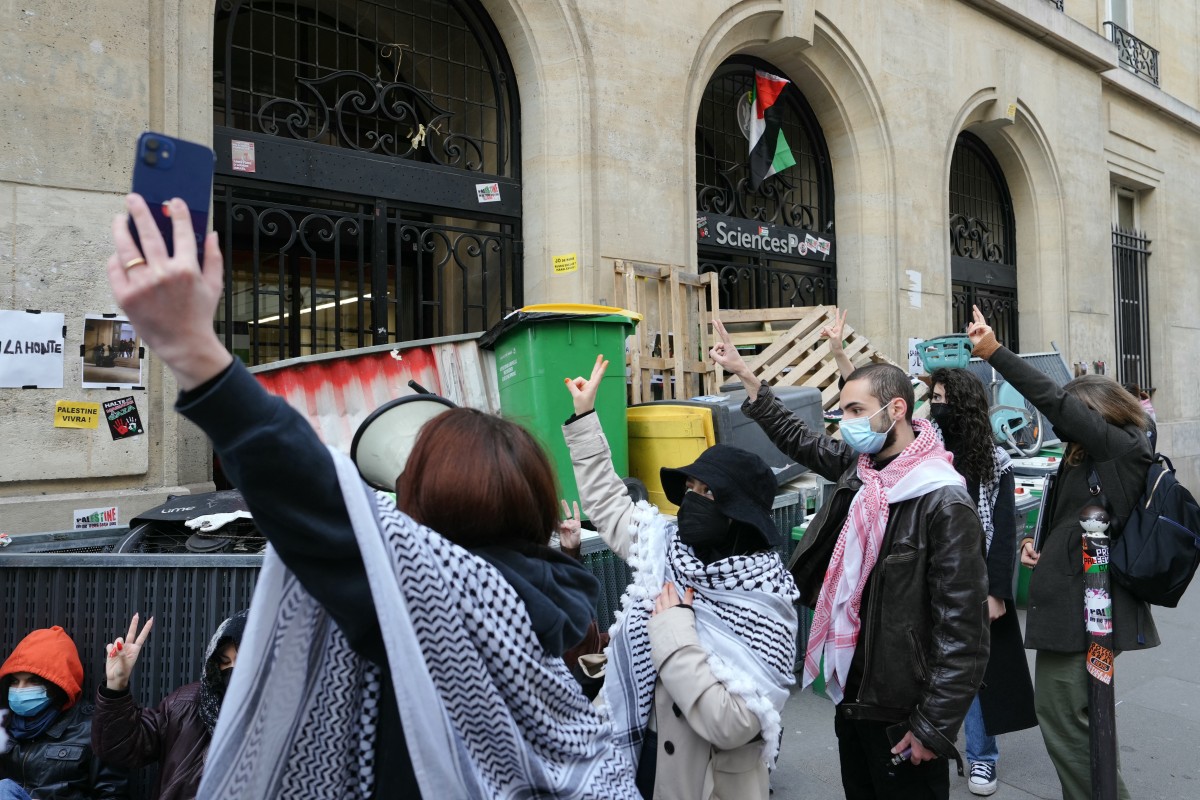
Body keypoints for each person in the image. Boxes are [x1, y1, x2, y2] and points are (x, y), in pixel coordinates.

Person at [105, 194, 638, 800]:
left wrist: (195, 351)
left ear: (425, 506)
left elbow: (318, 496)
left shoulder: (444, 594)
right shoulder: (563, 600)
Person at [710, 319, 989, 800]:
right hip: (851, 691)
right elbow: (798, 437)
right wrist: (748, 378)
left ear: (896, 409)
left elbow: (963, 631)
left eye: (856, 410)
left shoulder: (943, 502)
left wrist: (932, 726)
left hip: (904, 709)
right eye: (841, 412)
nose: (846, 423)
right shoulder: (860, 471)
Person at [562, 356, 800, 800]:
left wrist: (672, 629)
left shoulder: (767, 602)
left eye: (707, 492)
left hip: (703, 781)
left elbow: (732, 724)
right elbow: (609, 503)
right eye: (689, 488)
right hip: (632, 750)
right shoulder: (666, 546)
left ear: (738, 516)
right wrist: (584, 418)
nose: (691, 501)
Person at [966, 305, 1158, 800]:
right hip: (1072, 603)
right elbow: (1079, 513)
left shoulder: (1123, 447)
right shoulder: (1088, 455)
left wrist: (995, 353)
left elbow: (1055, 402)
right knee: (1080, 716)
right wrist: (1041, 546)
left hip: (1090, 611)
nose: (1060, 423)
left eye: (1071, 414)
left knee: (1063, 712)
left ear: (1093, 412)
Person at [928, 367, 1037, 796]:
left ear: (962, 403)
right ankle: (933, 744)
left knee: (974, 671)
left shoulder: (994, 461)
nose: (935, 405)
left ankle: (982, 758)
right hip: (928, 575)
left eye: (941, 398)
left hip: (973, 580)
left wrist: (996, 592)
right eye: (932, 397)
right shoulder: (923, 449)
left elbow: (1004, 531)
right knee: (930, 667)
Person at [91, 612, 247, 800]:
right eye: (224, 662)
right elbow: (119, 747)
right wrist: (116, 685)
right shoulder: (186, 705)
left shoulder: (286, 717)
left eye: (245, 659)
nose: (233, 671)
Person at [0, 626, 128, 800]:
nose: (20, 690)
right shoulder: (5, 724)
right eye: (15, 681)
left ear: (56, 685)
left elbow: (111, 794)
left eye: (33, 681)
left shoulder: (93, 727)